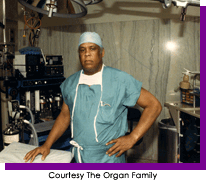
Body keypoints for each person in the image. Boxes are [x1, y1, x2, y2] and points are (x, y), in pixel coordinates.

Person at [24, 32, 162, 163]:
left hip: (109, 158)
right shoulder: (70, 84)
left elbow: (153, 105)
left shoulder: (119, 80)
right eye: (82, 50)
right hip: (80, 157)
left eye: (92, 48)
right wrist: (47, 144)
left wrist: (133, 137)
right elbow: (65, 115)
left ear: (102, 52)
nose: (87, 54)